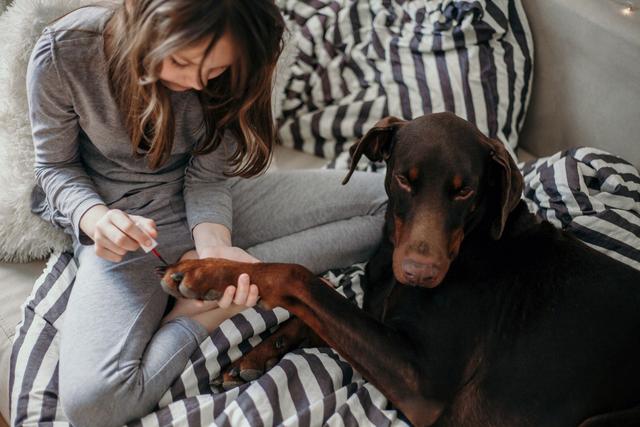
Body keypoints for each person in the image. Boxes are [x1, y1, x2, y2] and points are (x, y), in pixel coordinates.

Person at [27, 0, 386, 425]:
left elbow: (207, 177)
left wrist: (215, 253)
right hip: (125, 229)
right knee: (94, 404)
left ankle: (235, 277)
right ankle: (209, 307)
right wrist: (94, 218)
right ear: (147, 19)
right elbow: (55, 166)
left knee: (390, 204)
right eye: (181, 61)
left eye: (212, 72)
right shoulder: (66, 50)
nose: (193, 82)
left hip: (212, 204)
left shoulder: (232, 63)